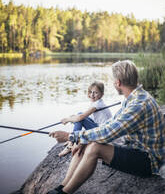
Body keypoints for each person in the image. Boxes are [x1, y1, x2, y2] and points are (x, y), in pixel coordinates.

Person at [47, 60, 165, 194]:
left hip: (148, 160)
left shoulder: (139, 104)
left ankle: (65, 192)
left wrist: (71, 136)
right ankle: (62, 186)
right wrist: (81, 139)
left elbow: (109, 132)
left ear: (118, 82)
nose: (114, 83)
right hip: (136, 149)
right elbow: (111, 123)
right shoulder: (134, 97)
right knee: (86, 142)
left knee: (95, 147)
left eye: (114, 80)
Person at [58, 81, 112, 157]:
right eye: (91, 92)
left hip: (103, 133)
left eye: (96, 93)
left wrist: (68, 119)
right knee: (79, 114)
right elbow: (86, 118)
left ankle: (71, 143)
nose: (92, 95)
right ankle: (73, 139)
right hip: (99, 128)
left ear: (101, 95)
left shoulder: (98, 104)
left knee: (80, 116)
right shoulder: (96, 103)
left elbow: (81, 117)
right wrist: (73, 117)